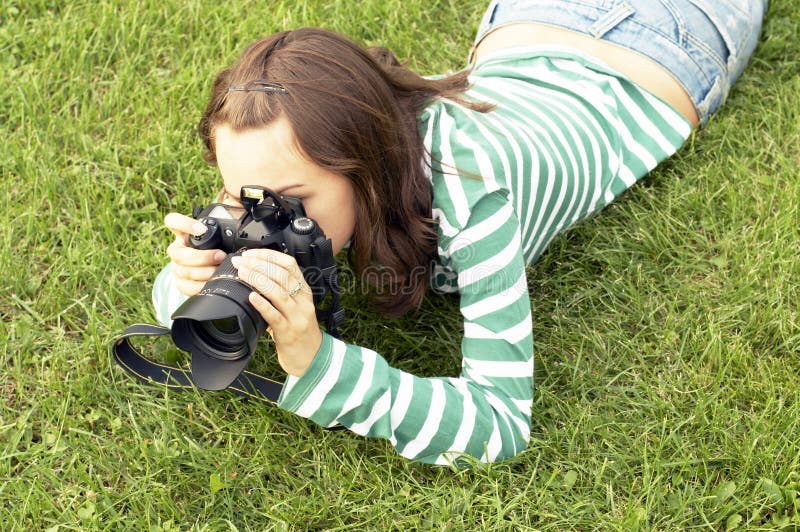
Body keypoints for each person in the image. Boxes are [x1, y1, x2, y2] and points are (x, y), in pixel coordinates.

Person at [152, 1, 767, 465]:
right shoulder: (304, 153)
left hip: (666, 39)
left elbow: (499, 424)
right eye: (241, 197)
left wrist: (319, 364)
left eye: (291, 201)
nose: (261, 222)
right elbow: (188, 299)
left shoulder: (472, 192)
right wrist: (190, 280)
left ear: (367, 166)